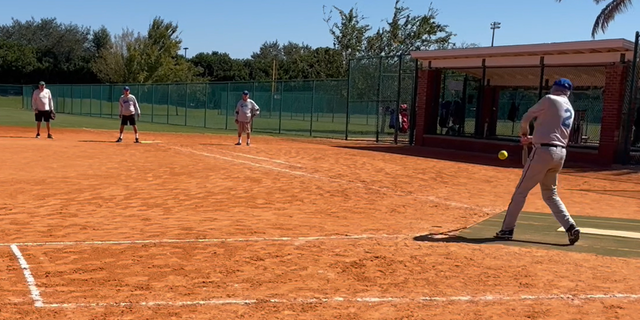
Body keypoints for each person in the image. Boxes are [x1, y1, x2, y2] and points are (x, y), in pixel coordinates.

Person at [494, 78, 581, 245]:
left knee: (521, 192)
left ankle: (507, 229)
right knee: (550, 194)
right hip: (560, 154)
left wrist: (524, 133)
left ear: (555, 88)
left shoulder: (549, 99)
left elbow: (527, 117)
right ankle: (570, 227)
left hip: (543, 153)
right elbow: (554, 134)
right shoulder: (569, 107)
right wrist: (532, 139)